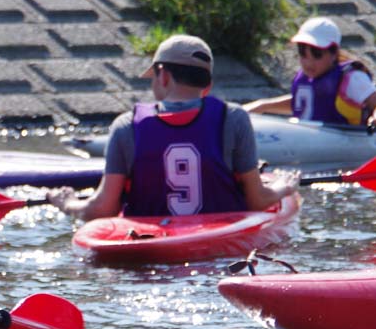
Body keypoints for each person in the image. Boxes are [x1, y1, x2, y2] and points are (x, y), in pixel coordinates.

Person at [49, 35, 296, 221]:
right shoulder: (234, 118)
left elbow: (103, 208)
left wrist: (68, 203)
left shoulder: (126, 126)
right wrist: (284, 187)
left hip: (148, 244)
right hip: (218, 245)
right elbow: (256, 201)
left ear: (163, 75)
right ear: (207, 85)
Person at [243, 17, 376, 127]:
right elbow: (304, 102)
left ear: (334, 53)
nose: (308, 61)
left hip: (347, 142)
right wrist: (262, 106)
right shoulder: (306, 78)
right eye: (303, 53)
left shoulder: (352, 79)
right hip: (307, 139)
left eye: (317, 54)